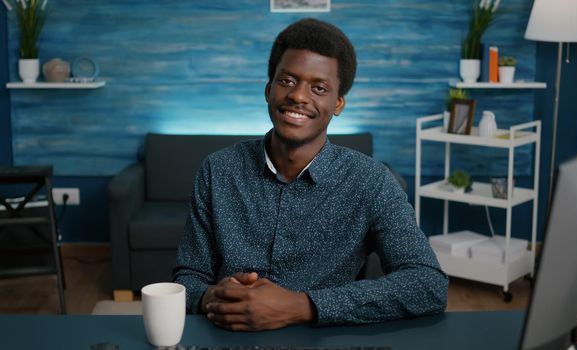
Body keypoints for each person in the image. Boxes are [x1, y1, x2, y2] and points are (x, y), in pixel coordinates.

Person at [173, 18, 448, 331]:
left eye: (319, 88)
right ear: (268, 89)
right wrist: (210, 297)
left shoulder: (371, 181)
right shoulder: (217, 170)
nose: (298, 96)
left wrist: (301, 305)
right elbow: (188, 279)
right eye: (287, 81)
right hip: (226, 335)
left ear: (338, 103)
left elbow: (427, 285)